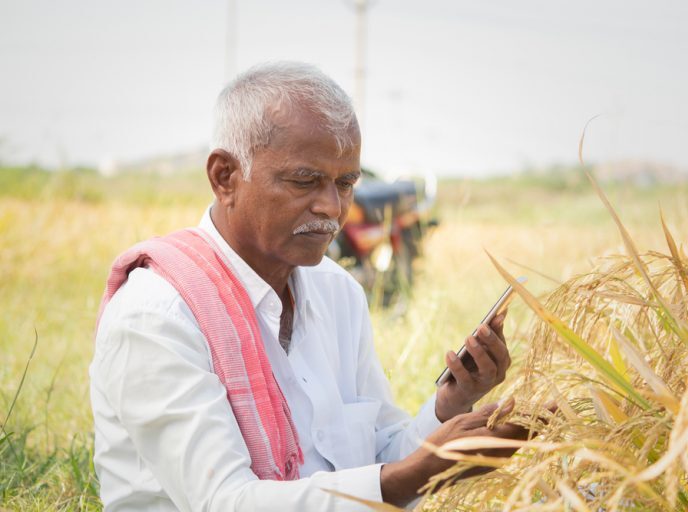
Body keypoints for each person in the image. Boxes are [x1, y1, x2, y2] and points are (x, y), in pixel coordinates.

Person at [89, 61, 527, 511]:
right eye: (305, 181)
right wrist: (420, 469)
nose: (332, 207)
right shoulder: (157, 313)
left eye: (346, 183)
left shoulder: (336, 292)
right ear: (225, 177)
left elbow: (376, 462)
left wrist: (450, 408)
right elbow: (224, 502)